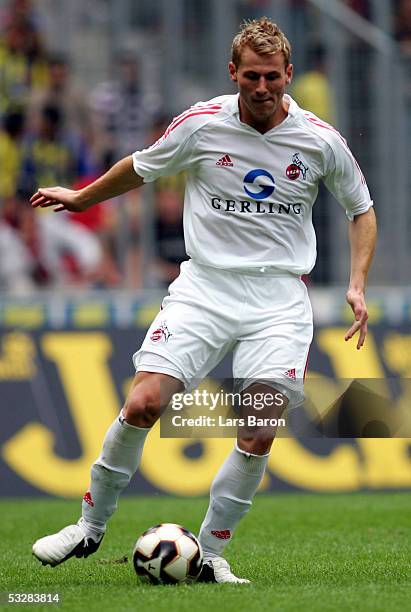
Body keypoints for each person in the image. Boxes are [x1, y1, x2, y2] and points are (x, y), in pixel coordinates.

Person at [30, 18, 376, 583]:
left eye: (272, 78)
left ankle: (211, 555)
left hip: (279, 298)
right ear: (232, 74)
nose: (261, 89)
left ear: (289, 75)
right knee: (143, 403)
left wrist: (357, 282)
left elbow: (361, 209)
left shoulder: (319, 140)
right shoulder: (201, 125)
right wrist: (82, 198)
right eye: (250, 78)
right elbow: (141, 167)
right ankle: (89, 527)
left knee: (258, 427)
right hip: (205, 288)